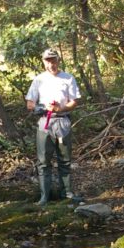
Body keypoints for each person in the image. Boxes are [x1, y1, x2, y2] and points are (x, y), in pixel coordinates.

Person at [25, 48, 82, 206]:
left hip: (62, 121)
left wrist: (60, 108)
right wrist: (41, 108)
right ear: (43, 62)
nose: (51, 63)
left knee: (65, 159)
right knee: (44, 161)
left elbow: (74, 101)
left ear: (58, 60)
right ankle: (45, 196)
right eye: (48, 60)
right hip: (45, 122)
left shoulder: (68, 78)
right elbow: (30, 103)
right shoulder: (38, 80)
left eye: (53, 60)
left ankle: (67, 193)